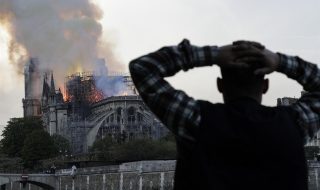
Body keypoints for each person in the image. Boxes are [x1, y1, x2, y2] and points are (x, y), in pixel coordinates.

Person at [129, 39, 320, 190]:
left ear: (220, 85)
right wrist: (280, 61)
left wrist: (212, 55)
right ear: (265, 86)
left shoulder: (195, 120)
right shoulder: (295, 124)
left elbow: (142, 68)